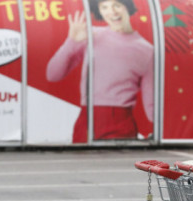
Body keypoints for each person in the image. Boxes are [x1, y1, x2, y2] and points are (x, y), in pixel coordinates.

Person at [46, 0, 154, 143]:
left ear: (127, 7)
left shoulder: (147, 50)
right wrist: (71, 41)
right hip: (86, 120)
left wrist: (162, 133)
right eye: (104, 7)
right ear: (100, 12)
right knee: (81, 164)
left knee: (114, 165)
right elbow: (53, 75)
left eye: (117, 5)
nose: (112, 11)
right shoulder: (91, 35)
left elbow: (151, 102)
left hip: (121, 123)